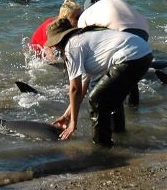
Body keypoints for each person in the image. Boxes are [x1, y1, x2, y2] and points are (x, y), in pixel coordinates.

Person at [46, 18, 153, 147]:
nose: (56, 48)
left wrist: (73, 124)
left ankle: (101, 147)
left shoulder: (72, 46)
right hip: (144, 53)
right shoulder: (84, 39)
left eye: (55, 45)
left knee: (97, 99)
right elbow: (81, 90)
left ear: (59, 40)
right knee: (112, 99)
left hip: (130, 57)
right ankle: (120, 136)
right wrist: (67, 116)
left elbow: (75, 89)